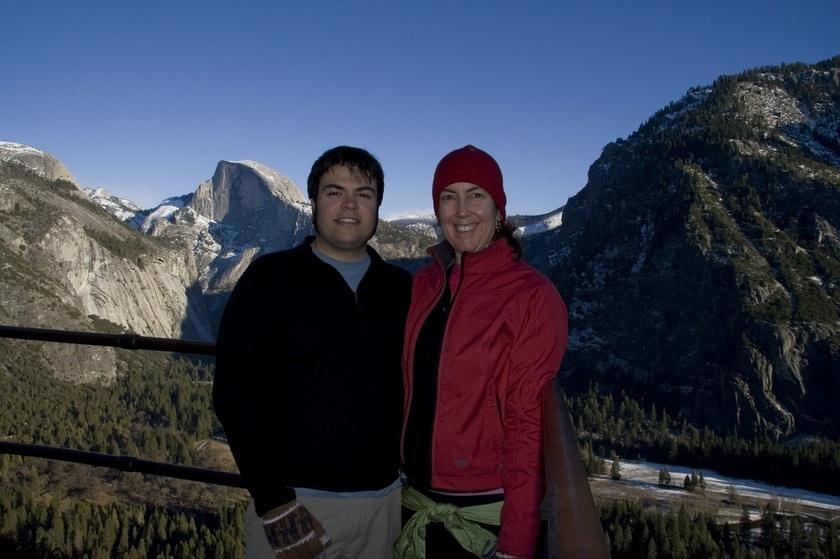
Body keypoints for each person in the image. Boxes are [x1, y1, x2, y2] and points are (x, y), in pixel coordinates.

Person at [213, 146, 412, 559]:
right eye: (334, 192)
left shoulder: (402, 288)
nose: (350, 206)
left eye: (364, 193)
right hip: (298, 504)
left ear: (378, 205)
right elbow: (233, 395)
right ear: (313, 201)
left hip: (387, 505)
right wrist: (275, 504)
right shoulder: (268, 280)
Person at [397, 145, 568, 559]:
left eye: (476, 194)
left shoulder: (531, 296)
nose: (461, 210)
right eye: (448, 196)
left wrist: (517, 539)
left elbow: (528, 423)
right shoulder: (424, 285)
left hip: (485, 518)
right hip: (413, 502)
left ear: (498, 209)